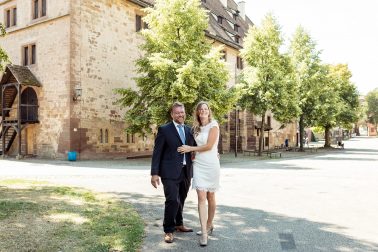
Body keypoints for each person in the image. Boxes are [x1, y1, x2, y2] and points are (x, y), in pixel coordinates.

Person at [150, 102, 196, 243]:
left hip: (186, 171)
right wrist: (154, 173)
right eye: (177, 113)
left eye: (182, 112)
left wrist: (214, 153)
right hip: (169, 172)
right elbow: (157, 153)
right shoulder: (164, 130)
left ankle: (179, 223)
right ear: (172, 114)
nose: (180, 115)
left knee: (181, 199)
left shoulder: (190, 130)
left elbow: (196, 147)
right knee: (172, 200)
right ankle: (168, 230)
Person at [178, 101, 220, 247]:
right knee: (201, 197)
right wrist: (191, 153)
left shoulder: (214, 125)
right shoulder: (195, 128)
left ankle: (209, 224)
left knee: (211, 196)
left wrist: (190, 149)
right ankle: (204, 233)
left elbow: (209, 146)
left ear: (209, 111)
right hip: (199, 165)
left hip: (212, 164)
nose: (203, 111)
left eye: (205, 109)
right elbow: (188, 141)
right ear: (197, 112)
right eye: (200, 109)